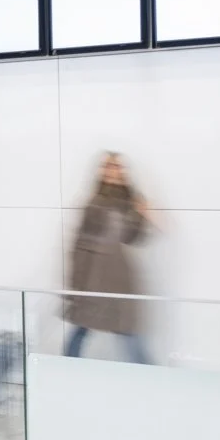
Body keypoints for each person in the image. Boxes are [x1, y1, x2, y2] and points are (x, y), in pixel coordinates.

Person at [63, 152, 153, 364]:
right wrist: (76, 286)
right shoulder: (94, 203)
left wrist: (141, 213)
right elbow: (79, 245)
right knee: (82, 329)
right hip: (93, 281)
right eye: (109, 167)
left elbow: (134, 238)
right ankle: (64, 372)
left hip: (119, 280)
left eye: (117, 167)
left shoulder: (128, 202)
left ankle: (149, 380)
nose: (113, 172)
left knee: (128, 333)